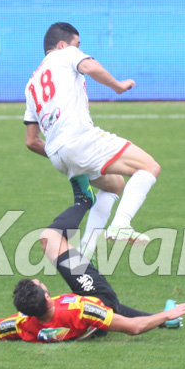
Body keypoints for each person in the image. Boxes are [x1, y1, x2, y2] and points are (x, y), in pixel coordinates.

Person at [0, 187, 185, 343]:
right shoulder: (81, 309)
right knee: (49, 239)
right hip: (99, 299)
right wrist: (165, 314)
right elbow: (130, 328)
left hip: (90, 321)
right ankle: (84, 199)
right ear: (49, 296)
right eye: (40, 283)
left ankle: (166, 322)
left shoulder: (22, 325)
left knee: (55, 246)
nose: (40, 279)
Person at [24, 21, 162, 257]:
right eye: (78, 44)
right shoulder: (66, 54)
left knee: (116, 184)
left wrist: (64, 153)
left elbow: (31, 141)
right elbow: (90, 67)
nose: (80, 48)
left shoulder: (31, 84)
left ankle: (86, 252)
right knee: (149, 167)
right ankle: (121, 225)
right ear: (61, 44)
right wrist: (118, 86)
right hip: (79, 140)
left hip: (58, 155)